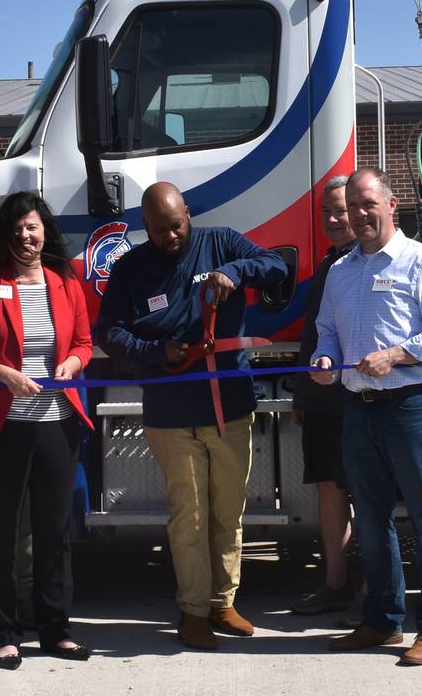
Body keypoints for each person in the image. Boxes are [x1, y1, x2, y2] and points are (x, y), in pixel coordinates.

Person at [96, 182, 287, 651]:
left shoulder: (220, 241)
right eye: (159, 230)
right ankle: (193, 612)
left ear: (188, 213)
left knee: (228, 512)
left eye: (176, 225)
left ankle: (223, 602)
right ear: (146, 226)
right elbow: (108, 331)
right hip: (171, 413)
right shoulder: (131, 269)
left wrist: (235, 272)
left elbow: (278, 268)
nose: (170, 236)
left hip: (230, 407)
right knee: (190, 515)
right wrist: (151, 351)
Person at [311, 169, 422, 666]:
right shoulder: (340, 271)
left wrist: (396, 354)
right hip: (359, 411)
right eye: (352, 205)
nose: (359, 213)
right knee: (372, 524)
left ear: (391, 205)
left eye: (368, 203)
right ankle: (382, 620)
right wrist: (325, 359)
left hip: (410, 408)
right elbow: (327, 330)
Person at [0, 192, 94, 668]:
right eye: (15, 230)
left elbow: (83, 342)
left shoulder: (65, 283)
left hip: (57, 424)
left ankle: (55, 629)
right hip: (1, 428)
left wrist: (73, 363)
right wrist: (4, 374)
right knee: (1, 533)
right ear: (4, 236)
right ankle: (3, 632)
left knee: (54, 531)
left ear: (44, 231)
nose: (24, 237)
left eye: (32, 227)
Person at [289, 176, 357, 615]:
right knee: (330, 492)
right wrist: (302, 397)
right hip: (323, 404)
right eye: (326, 213)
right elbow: (313, 336)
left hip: (360, 401)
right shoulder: (327, 267)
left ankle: (373, 591)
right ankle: (336, 583)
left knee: (368, 497)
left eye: (341, 210)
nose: (333, 220)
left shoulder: (372, 264)